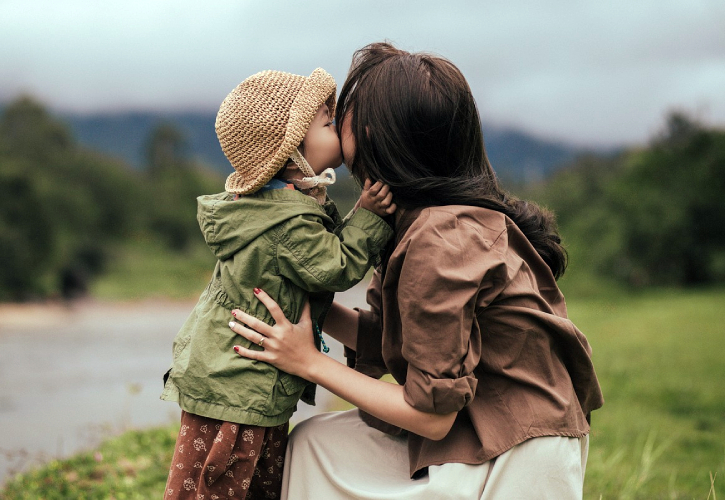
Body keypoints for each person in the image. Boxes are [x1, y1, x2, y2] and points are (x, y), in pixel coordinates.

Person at [228, 43, 605, 499]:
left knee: (320, 449)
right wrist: (300, 301)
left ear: (370, 133)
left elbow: (430, 412)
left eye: (339, 115)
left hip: (518, 452)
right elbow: (395, 339)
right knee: (315, 445)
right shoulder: (418, 219)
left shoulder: (441, 237)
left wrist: (309, 361)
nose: (332, 121)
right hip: (479, 424)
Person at [160, 67, 396, 499]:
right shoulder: (284, 220)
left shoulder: (279, 206)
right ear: (291, 155)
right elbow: (335, 266)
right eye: (327, 123)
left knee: (252, 480)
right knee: (223, 483)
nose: (337, 124)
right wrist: (370, 218)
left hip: (240, 379)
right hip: (238, 386)